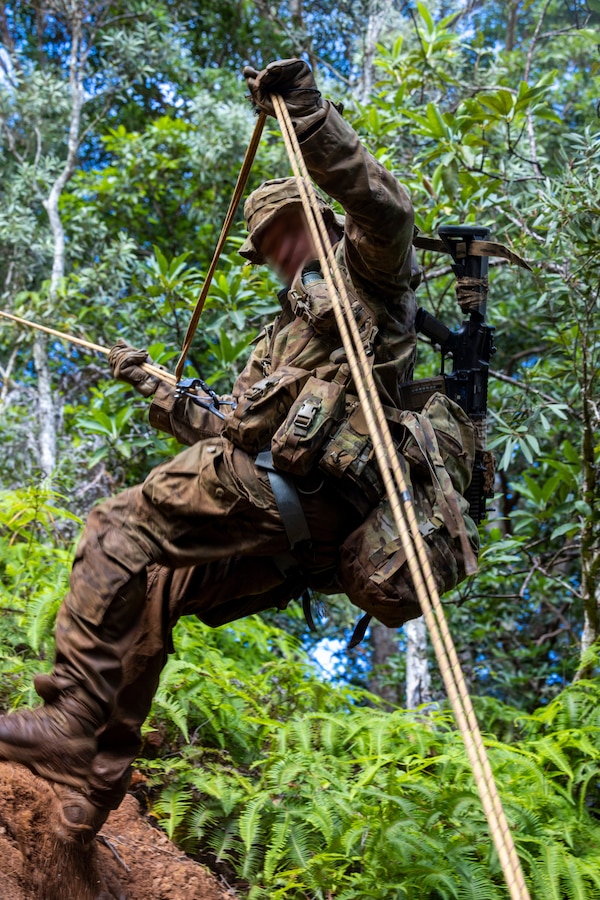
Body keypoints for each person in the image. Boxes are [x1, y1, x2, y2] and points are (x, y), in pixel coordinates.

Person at [0, 58, 418, 844]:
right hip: (288, 526)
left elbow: (383, 204)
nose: (272, 255)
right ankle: (94, 785)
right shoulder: (278, 337)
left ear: (308, 215)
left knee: (114, 529)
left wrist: (305, 116)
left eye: (277, 237)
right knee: (154, 589)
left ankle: (69, 714)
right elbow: (228, 431)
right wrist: (154, 387)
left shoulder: (372, 275)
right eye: (263, 248)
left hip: (324, 509)